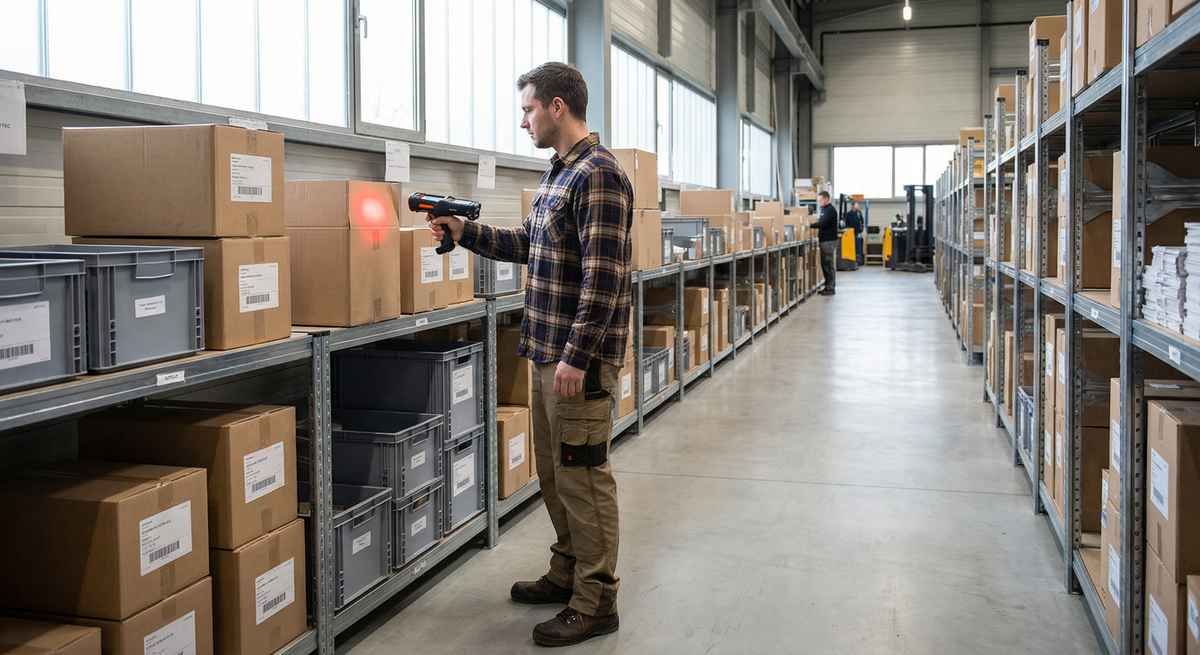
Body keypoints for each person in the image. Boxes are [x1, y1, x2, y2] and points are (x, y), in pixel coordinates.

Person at [428, 62, 631, 648]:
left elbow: (604, 279)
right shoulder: (558, 174)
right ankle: (568, 571)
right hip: (547, 352)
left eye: (528, 109)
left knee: (583, 477)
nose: (523, 121)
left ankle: (597, 601)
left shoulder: (599, 175)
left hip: (576, 362)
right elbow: (529, 245)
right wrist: (466, 232)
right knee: (554, 474)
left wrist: (577, 357)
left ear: (557, 107)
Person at [810, 191, 839, 295]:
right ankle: (827, 285)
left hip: (828, 241)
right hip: (824, 241)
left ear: (826, 199)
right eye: (819, 200)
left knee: (828, 264)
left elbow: (823, 223)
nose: (820, 202)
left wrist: (810, 225)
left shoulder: (830, 210)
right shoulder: (825, 209)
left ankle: (830, 287)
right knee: (825, 264)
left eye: (821, 200)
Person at [844, 201, 864, 265]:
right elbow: (847, 223)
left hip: (858, 231)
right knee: (852, 245)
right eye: (856, 205)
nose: (858, 206)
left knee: (858, 245)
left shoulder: (859, 213)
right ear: (853, 206)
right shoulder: (849, 214)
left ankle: (859, 259)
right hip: (851, 232)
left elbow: (862, 221)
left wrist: (861, 228)